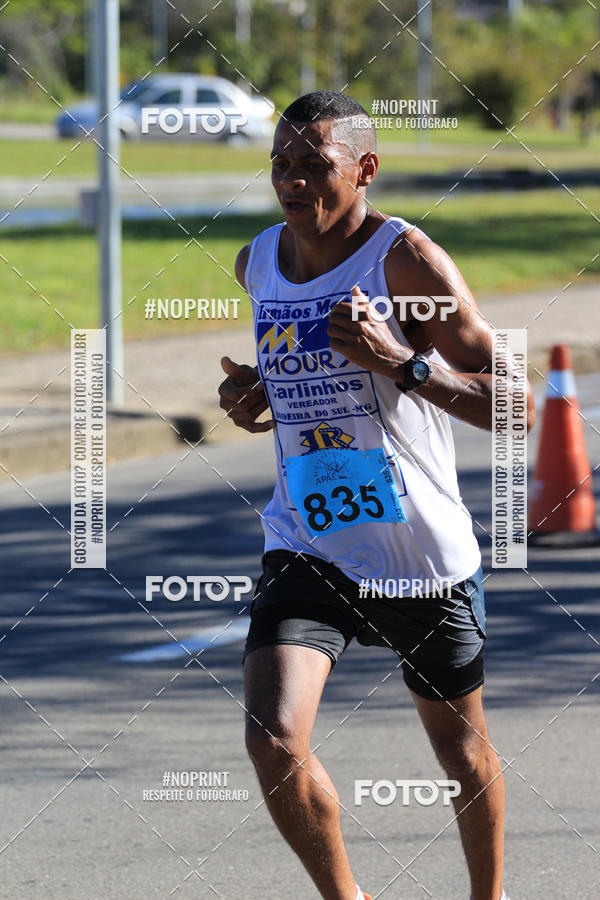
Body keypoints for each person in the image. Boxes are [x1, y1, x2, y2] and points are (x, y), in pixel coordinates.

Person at [218, 89, 534, 900]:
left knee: (462, 752)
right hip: (309, 539)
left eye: (315, 165)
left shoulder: (406, 262)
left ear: (365, 170)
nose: (293, 181)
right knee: (272, 737)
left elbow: (514, 405)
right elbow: (299, 386)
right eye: (281, 164)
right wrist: (259, 396)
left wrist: (406, 363)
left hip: (418, 556)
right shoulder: (258, 261)